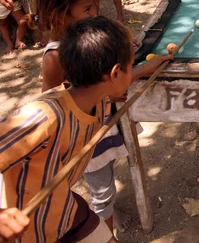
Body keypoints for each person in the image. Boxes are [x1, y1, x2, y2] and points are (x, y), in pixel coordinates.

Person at [36, 0, 170, 233]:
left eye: (96, 6)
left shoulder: (91, 33)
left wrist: (120, 44)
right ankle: (104, 227)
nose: (95, 13)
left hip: (105, 124)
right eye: (87, 8)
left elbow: (107, 73)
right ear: (59, 14)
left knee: (109, 168)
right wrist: (138, 73)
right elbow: (54, 101)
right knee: (102, 188)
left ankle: (108, 208)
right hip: (85, 138)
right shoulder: (54, 56)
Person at [0, 16, 133, 242]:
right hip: (27, 234)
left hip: (64, 211)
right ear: (115, 73)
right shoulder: (42, 116)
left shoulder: (98, 98)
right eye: (132, 65)